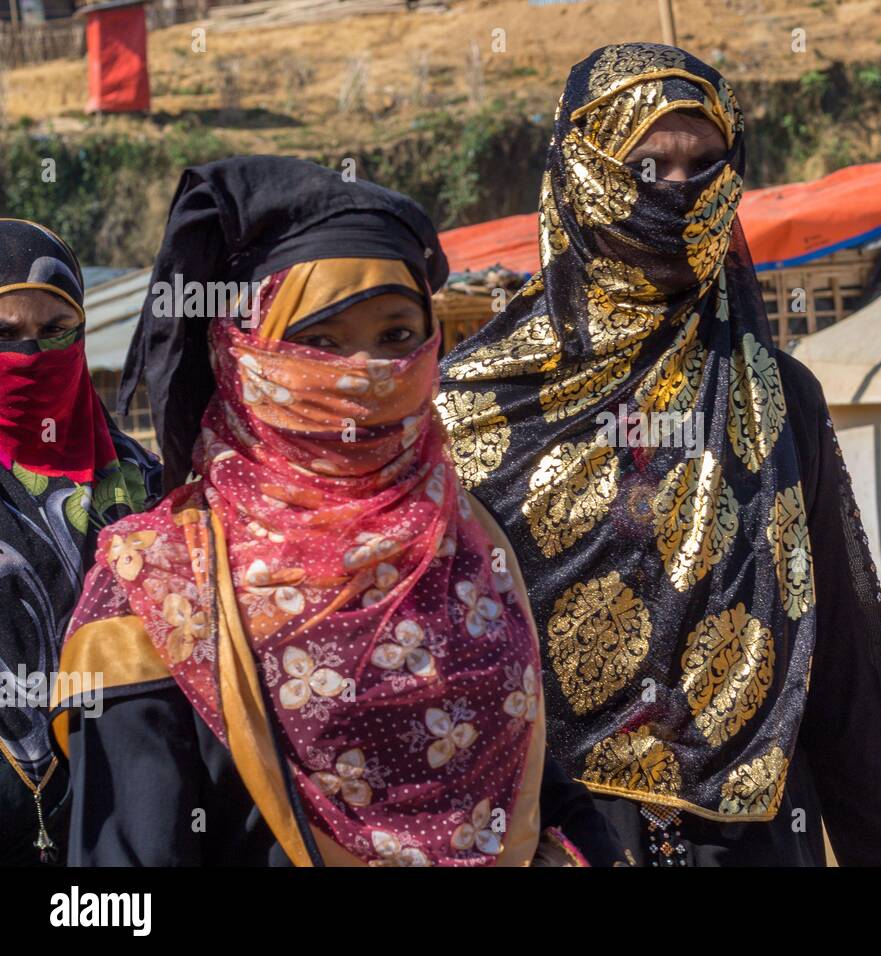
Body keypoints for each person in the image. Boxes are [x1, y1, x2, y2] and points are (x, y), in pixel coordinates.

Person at [438, 43, 881, 866]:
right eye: (644, 167)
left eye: (705, 167)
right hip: (554, 837)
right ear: (578, 174)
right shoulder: (468, 408)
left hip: (757, 838)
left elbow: (846, 665)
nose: (676, 194)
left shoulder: (777, 398)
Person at [51, 157, 621, 866]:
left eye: (396, 337)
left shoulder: (465, 536)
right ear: (244, 354)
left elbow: (533, 779)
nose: (364, 373)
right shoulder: (162, 584)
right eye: (319, 343)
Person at [0, 219, 161, 866]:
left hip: (124, 805)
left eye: (55, 330)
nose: (33, 353)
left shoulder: (149, 487)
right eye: (5, 335)